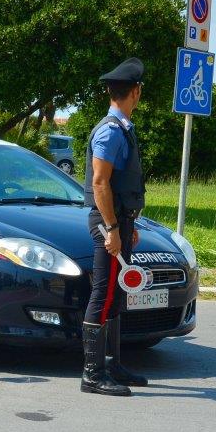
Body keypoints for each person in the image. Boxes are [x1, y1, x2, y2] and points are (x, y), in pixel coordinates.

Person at [81, 57, 148, 397]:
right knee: (103, 293)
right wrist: (111, 228)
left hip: (119, 220)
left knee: (117, 295)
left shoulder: (123, 128)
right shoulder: (110, 130)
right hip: (107, 222)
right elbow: (100, 182)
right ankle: (92, 375)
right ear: (135, 91)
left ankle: (113, 364)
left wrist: (127, 224)